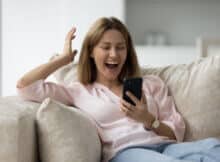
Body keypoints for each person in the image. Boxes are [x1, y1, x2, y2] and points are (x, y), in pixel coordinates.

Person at [16, 17, 220, 162]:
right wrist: (64, 59)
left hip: (168, 147)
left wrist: (148, 119)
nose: (114, 54)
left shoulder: (151, 84)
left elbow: (177, 133)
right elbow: (25, 87)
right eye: (106, 47)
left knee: (212, 147)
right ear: (91, 53)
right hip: (126, 153)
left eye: (120, 47)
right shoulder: (79, 91)